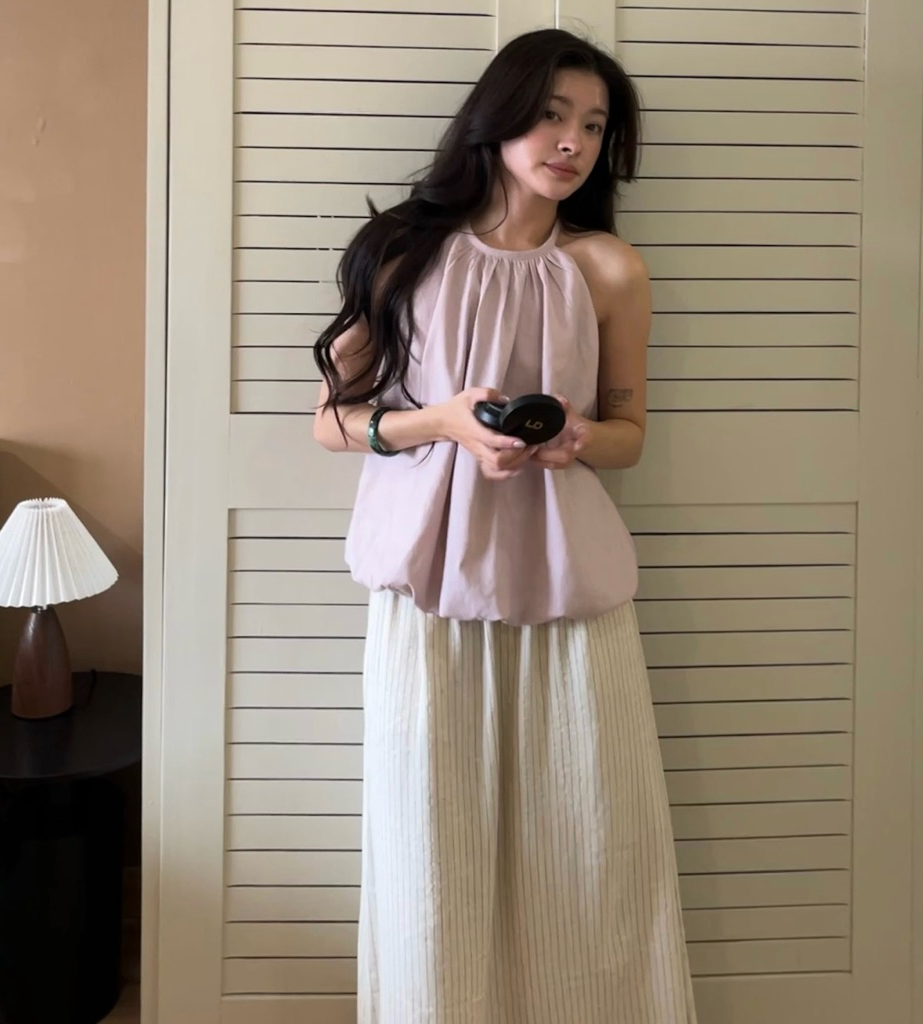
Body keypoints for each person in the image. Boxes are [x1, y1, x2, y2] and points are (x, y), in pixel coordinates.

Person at [312, 27, 698, 1024]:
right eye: (552, 115)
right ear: (497, 118)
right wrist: (443, 422)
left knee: (592, 845)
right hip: (428, 593)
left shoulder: (609, 269)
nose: (572, 142)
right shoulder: (404, 253)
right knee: (428, 850)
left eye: (594, 127)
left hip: (570, 590)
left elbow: (630, 435)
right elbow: (333, 422)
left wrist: (576, 437)